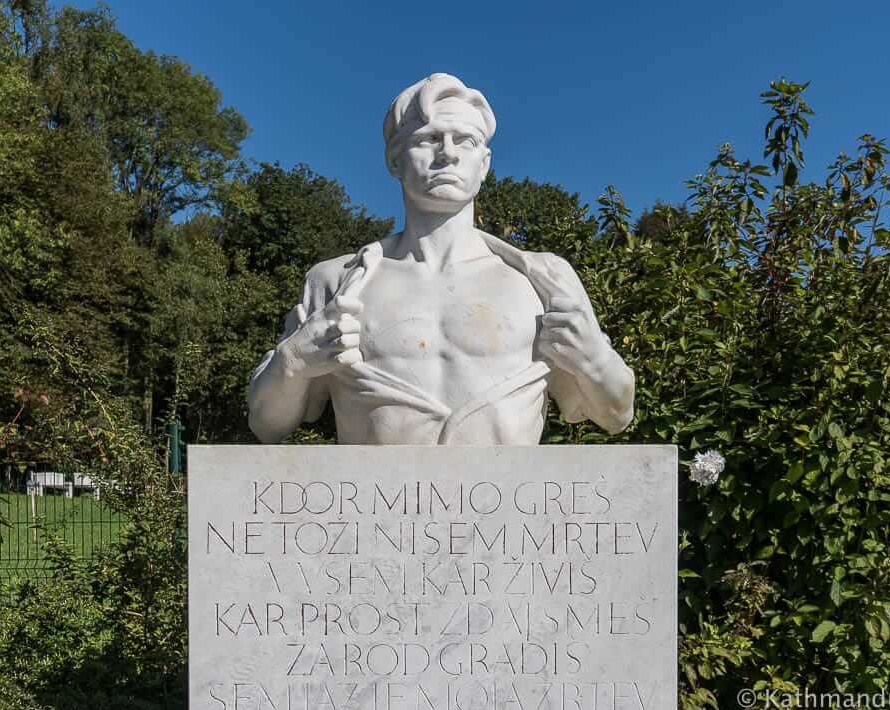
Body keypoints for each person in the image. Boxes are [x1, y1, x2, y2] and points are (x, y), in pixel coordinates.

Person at [248, 73, 634, 445]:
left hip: (505, 506)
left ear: (483, 165)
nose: (447, 153)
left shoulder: (542, 279)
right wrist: (293, 361)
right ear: (395, 161)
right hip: (377, 506)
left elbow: (616, 415)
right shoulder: (336, 281)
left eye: (464, 140)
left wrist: (594, 358)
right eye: (428, 139)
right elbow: (267, 425)